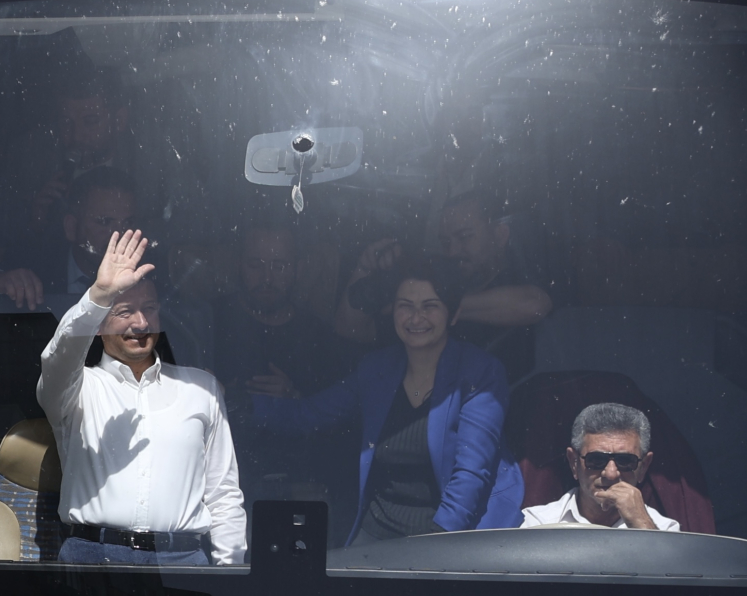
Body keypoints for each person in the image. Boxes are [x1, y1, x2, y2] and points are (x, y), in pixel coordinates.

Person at [256, 262, 518, 541]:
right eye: (406, 305)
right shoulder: (377, 369)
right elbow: (309, 414)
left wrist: (437, 542)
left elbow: (470, 473)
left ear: (454, 315)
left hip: (452, 528)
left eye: (430, 306)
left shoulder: (479, 371)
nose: (416, 318)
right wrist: (232, 402)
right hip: (379, 526)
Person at [34, 228, 246, 566]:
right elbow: (58, 358)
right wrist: (100, 295)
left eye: (150, 308)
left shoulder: (200, 389)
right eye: (125, 311)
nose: (142, 321)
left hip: (184, 559)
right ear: (100, 324)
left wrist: (230, 573)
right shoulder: (77, 388)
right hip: (93, 558)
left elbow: (223, 495)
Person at [331, 190, 556, 379]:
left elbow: (536, 305)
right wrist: (364, 268)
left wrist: (437, 305)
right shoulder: (440, 283)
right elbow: (349, 328)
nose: (453, 251)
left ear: (499, 234)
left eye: (465, 237)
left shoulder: (518, 280)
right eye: (446, 242)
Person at [210, 224, 352, 493]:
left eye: (279, 266)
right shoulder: (212, 321)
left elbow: (337, 421)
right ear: (239, 266)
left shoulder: (318, 336)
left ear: (297, 269)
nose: (267, 278)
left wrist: (296, 399)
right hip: (219, 480)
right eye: (256, 265)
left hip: (296, 483)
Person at [0, 167, 139, 312]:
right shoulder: (37, 267)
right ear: (71, 227)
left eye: (128, 223)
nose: (121, 234)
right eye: (104, 221)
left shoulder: (151, 272)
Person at [517, 402, 682, 531]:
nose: (611, 474)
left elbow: (673, 572)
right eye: (596, 460)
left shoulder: (665, 529)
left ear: (643, 467)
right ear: (574, 463)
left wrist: (640, 523)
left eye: (625, 461)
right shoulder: (537, 524)